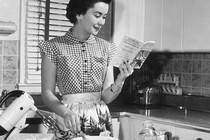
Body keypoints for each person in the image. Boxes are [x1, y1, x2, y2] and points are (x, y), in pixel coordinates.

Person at [39, 0, 134, 138]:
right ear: (79, 14)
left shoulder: (106, 48)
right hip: (67, 118)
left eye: (104, 17)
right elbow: (47, 94)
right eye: (97, 15)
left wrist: (121, 79)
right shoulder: (53, 47)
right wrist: (66, 113)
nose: (102, 22)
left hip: (99, 119)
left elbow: (106, 97)